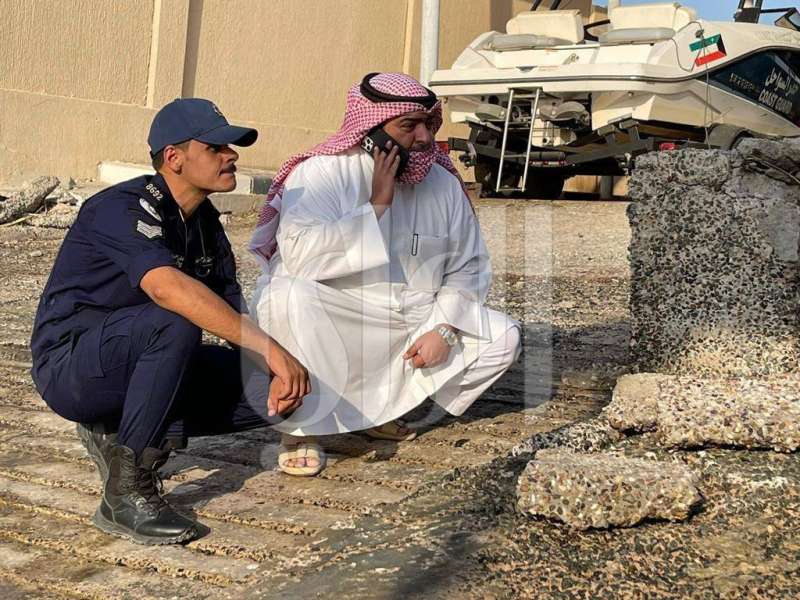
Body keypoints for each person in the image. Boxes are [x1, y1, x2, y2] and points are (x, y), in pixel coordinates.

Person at [30, 98, 310, 545]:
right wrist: (272, 350)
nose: (231, 156)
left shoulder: (205, 224)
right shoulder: (119, 206)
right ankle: (126, 495)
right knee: (175, 320)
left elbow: (232, 311)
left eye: (231, 147)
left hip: (143, 358)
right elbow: (166, 289)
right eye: (216, 148)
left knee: (277, 391)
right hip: (73, 369)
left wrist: (281, 370)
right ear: (174, 158)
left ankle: (119, 430)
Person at [249, 72, 521, 477]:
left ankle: (379, 412)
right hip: (339, 315)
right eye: (409, 125)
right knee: (285, 295)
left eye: (428, 124)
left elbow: (468, 266)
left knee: (503, 337)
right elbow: (302, 258)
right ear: (371, 129)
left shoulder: (443, 185)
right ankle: (301, 429)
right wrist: (376, 206)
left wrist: (445, 329)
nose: (424, 137)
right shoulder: (322, 173)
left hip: (411, 322)